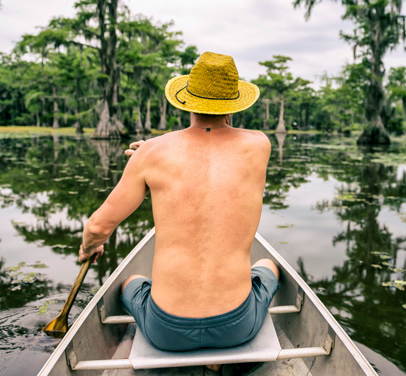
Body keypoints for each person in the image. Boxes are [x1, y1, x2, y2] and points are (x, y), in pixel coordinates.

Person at [78, 52, 279, 353]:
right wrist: (155, 153)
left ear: (186, 100)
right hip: (237, 327)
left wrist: (88, 248)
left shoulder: (153, 153)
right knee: (268, 266)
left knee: (129, 281)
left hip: (166, 331)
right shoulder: (260, 145)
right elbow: (214, 155)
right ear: (233, 106)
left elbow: (97, 227)